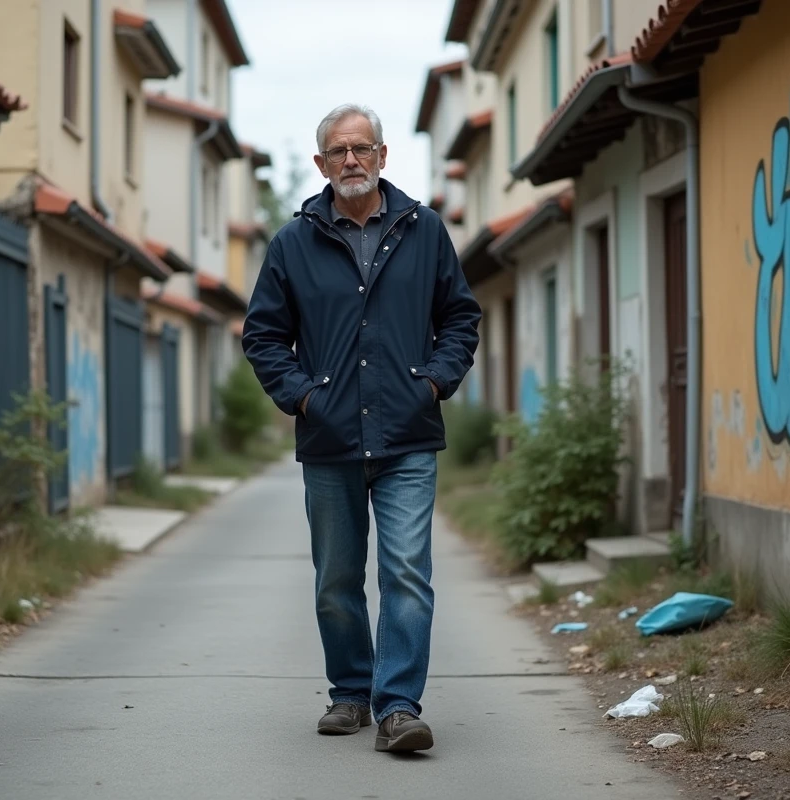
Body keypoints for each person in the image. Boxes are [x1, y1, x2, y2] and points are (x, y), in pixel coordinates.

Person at [241, 103, 481, 753]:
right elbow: (263, 336)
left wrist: (432, 383)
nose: (352, 160)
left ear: (383, 155)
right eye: (339, 152)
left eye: (363, 149)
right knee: (337, 579)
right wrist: (304, 398)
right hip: (329, 440)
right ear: (321, 164)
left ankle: (398, 705)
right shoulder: (292, 243)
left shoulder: (424, 230)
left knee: (406, 572)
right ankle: (350, 693)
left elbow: (460, 318)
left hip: (407, 436)